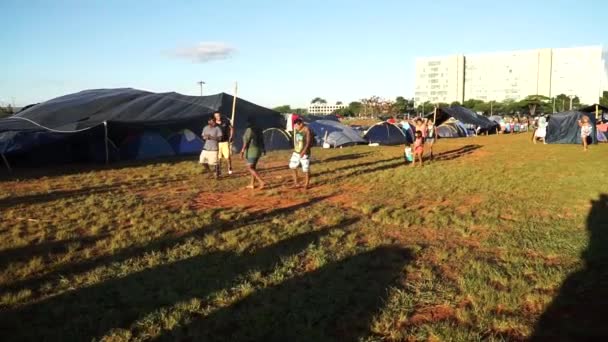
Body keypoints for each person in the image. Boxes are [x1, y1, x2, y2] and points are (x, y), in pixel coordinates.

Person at [240, 117, 266, 189]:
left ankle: (261, 181)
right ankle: (252, 184)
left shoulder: (249, 130)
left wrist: (242, 151)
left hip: (251, 151)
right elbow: (262, 140)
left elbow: (246, 142)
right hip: (258, 150)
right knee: (253, 167)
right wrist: (263, 150)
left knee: (249, 167)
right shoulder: (259, 130)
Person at [289, 118, 313, 188]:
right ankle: (296, 183)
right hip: (296, 152)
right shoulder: (296, 130)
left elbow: (308, 142)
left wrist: (304, 151)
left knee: (305, 169)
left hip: (304, 153)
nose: (295, 127)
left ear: (301, 124)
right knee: (292, 166)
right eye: (295, 126)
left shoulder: (307, 130)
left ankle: (306, 184)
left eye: (296, 125)